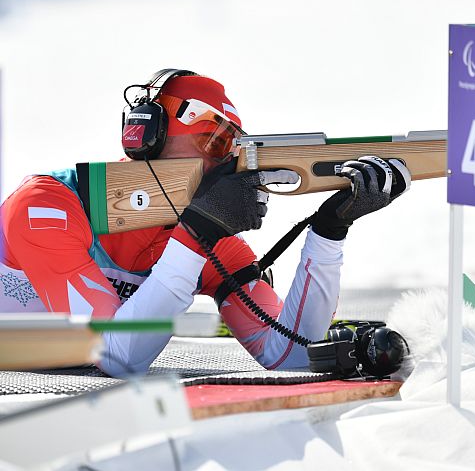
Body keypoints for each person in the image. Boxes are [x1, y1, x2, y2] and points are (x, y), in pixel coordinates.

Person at [0, 71, 411, 376]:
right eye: (212, 141)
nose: (222, 162)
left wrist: (329, 233)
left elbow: (291, 356)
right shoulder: (47, 207)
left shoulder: (210, 238)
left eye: (232, 148)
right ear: (147, 135)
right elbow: (112, 355)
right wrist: (195, 236)